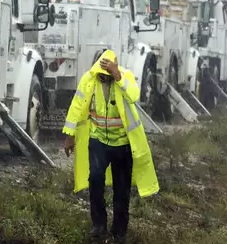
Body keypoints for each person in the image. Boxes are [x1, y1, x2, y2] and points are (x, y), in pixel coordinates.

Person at [62, 49, 159, 243]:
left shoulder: (125, 76)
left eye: (107, 73)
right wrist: (69, 135)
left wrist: (117, 75)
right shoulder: (89, 80)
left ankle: (119, 232)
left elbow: (134, 95)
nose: (103, 77)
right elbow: (76, 106)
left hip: (123, 145)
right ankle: (99, 225)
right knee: (95, 179)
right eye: (102, 73)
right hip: (99, 141)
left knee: (121, 191)